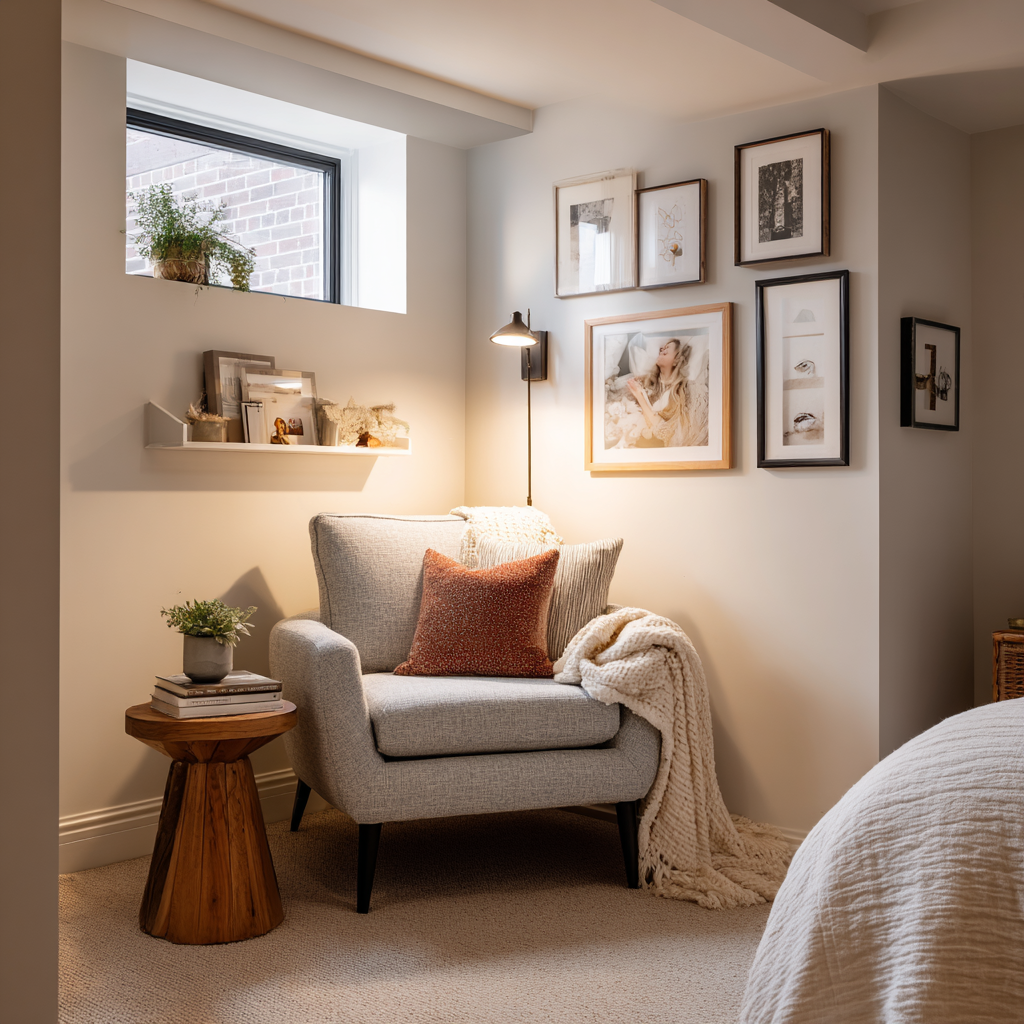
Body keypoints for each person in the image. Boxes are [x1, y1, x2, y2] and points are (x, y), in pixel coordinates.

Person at [624, 338, 708, 447]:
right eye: (662, 348)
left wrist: (639, 396)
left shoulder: (684, 390)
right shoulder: (649, 383)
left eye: (667, 348)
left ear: (677, 358)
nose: (662, 350)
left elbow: (666, 432)